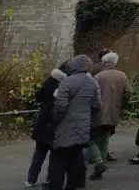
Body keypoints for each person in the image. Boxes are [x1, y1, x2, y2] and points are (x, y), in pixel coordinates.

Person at [48, 55, 102, 190]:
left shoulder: (67, 82)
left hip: (64, 128)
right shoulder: (92, 83)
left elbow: (60, 106)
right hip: (82, 128)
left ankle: (55, 186)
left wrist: (54, 121)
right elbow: (97, 105)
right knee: (75, 160)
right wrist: (86, 116)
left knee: (57, 162)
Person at [24, 63, 67, 189]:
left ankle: (31, 179)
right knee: (55, 157)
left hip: (43, 125)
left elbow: (38, 96)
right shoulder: (65, 88)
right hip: (56, 128)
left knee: (38, 155)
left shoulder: (48, 83)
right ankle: (50, 180)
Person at [89, 50, 129, 180]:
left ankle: (98, 162)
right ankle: (100, 165)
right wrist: (121, 104)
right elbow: (128, 93)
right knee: (104, 139)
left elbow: (92, 94)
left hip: (98, 112)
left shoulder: (99, 77)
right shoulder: (122, 76)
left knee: (89, 138)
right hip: (114, 112)